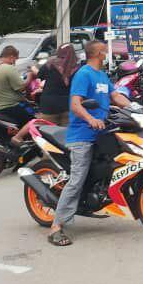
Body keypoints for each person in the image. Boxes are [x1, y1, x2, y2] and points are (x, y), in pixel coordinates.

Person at [47, 41, 130, 246]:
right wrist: (90, 119)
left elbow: (115, 96)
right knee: (77, 179)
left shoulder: (102, 76)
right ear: (98, 53)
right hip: (82, 134)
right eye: (105, 49)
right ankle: (56, 226)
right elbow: (75, 105)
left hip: (102, 133)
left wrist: (136, 107)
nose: (108, 52)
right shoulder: (84, 74)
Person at [0, 45, 39, 145]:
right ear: (12, 57)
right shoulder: (8, 68)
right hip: (7, 107)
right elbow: (21, 87)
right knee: (33, 121)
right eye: (15, 60)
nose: (15, 62)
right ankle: (20, 140)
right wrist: (30, 77)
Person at [37, 44, 79, 126]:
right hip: (68, 105)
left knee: (47, 133)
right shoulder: (78, 67)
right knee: (65, 135)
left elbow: (40, 76)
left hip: (49, 106)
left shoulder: (49, 65)